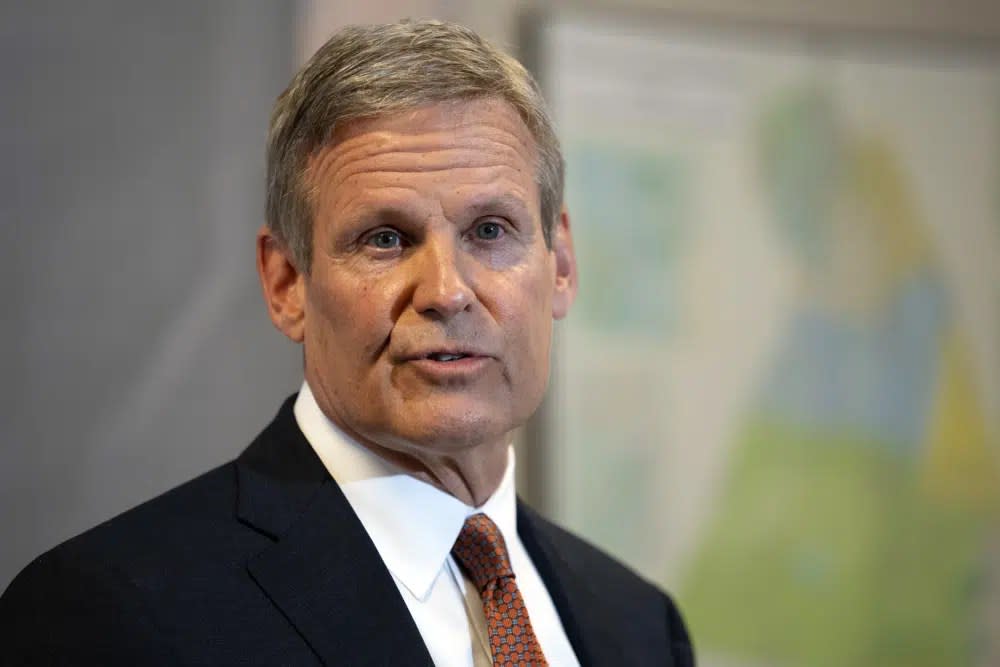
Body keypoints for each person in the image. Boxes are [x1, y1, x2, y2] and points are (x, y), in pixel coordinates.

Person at [0, 20, 693, 666]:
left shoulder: (638, 626)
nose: (447, 291)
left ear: (562, 264)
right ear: (286, 283)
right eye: (385, 239)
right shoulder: (106, 613)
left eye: (490, 230)